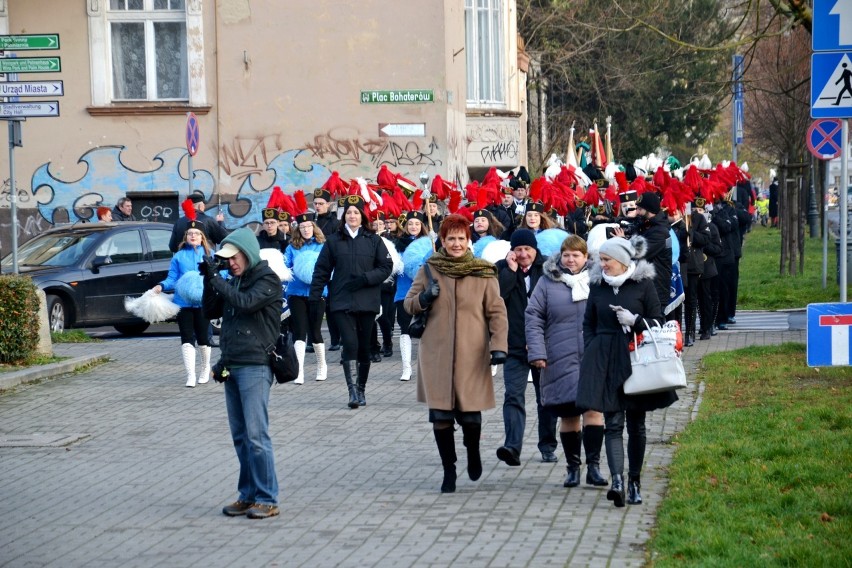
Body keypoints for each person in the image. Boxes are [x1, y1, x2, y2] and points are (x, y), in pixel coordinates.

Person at [404, 214, 508, 493]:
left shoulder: (483, 271)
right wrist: (424, 298)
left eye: (462, 238)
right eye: (451, 238)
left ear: (468, 240)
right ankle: (448, 469)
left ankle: (472, 452)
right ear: (442, 241)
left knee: (472, 418)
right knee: (441, 419)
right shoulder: (429, 269)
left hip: (472, 355)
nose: (456, 243)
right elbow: (408, 304)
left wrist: (499, 346)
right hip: (436, 354)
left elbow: (497, 312)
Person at [576, 236, 678, 507]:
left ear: (622, 261)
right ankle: (617, 481)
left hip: (636, 357)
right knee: (612, 423)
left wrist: (636, 322)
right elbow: (589, 323)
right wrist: (593, 347)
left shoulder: (643, 285)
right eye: (602, 260)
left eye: (607, 260)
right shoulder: (598, 287)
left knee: (636, 425)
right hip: (606, 358)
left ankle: (635, 481)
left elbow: (659, 320)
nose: (603, 265)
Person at [200, 227, 283, 519]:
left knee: (257, 435)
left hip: (256, 365)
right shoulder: (233, 281)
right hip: (232, 363)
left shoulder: (268, 280)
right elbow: (210, 312)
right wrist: (208, 279)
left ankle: (268, 499)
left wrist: (216, 279)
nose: (231, 263)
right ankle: (247, 495)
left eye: (234, 258)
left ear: (247, 252)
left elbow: (246, 303)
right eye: (226, 259)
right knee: (240, 436)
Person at [525, 235, 608, 488]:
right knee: (569, 414)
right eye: (566, 255)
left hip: (593, 355)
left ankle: (593, 467)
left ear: (586, 257)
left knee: (594, 411)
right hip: (559, 357)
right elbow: (534, 317)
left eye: (576, 255)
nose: (570, 260)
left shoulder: (599, 280)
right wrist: (538, 352)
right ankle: (573, 468)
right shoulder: (547, 282)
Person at [310, 194, 393, 408]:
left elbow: (386, 267)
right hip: (341, 300)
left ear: (362, 215)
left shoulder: (374, 240)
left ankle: (362, 388)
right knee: (350, 343)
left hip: (367, 300)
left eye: (356, 212)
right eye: (349, 213)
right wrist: (315, 294)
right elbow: (322, 270)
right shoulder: (334, 241)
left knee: (364, 348)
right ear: (343, 216)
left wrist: (366, 279)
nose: (353, 216)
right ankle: (352, 392)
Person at [494, 228, 559, 466]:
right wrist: (510, 273)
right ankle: (512, 446)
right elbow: (497, 299)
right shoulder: (501, 268)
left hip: (544, 345)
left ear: (535, 250)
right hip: (514, 345)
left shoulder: (549, 270)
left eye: (527, 249)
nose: (523, 254)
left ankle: (547, 445)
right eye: (518, 249)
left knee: (546, 398)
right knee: (513, 395)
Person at [152, 203, 214, 387]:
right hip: (183, 302)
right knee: (187, 338)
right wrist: (161, 286)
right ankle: (190, 375)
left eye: (196, 234)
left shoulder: (210, 255)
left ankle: (204, 369)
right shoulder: (178, 256)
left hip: (203, 303)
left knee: (203, 338)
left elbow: (220, 275)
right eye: (189, 234)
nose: (192, 236)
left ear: (202, 237)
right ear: (185, 236)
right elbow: (172, 278)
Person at [284, 211, 327, 384]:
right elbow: (285, 265)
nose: (306, 229)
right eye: (302, 227)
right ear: (298, 229)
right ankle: (299, 370)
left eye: (308, 226)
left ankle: (321, 365)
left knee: (315, 331)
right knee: (299, 331)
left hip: (318, 292)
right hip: (296, 292)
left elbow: (329, 266)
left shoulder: (323, 245)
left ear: (313, 227)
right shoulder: (292, 247)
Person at [394, 211, 433, 381]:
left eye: (417, 224)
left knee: (428, 329)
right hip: (404, 291)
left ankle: (428, 367)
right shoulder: (398, 244)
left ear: (422, 226)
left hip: (426, 291)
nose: (413, 227)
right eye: (410, 224)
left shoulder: (430, 243)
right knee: (405, 329)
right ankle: (406, 368)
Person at [313, 188, 342, 352]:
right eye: (316, 204)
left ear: (328, 204)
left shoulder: (335, 223)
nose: (318, 206)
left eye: (321, 204)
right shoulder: (313, 221)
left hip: (331, 267)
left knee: (332, 305)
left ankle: (336, 339)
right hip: (317, 268)